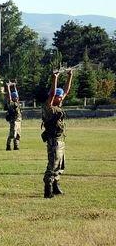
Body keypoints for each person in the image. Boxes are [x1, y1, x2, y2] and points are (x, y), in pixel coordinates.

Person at [41, 69, 73, 198]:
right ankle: (47, 188)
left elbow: (66, 90)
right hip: (53, 140)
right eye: (59, 97)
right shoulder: (48, 107)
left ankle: (55, 185)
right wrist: (54, 78)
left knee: (60, 164)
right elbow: (53, 94)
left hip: (60, 140)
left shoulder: (58, 105)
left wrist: (70, 76)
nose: (61, 98)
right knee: (52, 164)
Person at [5, 81, 22, 150]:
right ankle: (8, 145)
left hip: (19, 120)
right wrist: (8, 87)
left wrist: (14, 86)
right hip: (14, 121)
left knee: (18, 134)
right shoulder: (11, 103)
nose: (17, 98)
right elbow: (9, 95)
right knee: (12, 134)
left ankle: (16, 146)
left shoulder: (17, 103)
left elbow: (17, 94)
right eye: (15, 97)